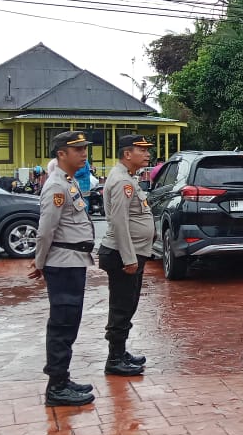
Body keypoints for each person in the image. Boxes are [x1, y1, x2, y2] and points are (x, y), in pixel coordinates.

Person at [28, 131, 96, 407]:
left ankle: (62, 379)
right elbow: (46, 230)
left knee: (69, 323)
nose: (84, 154)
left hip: (73, 262)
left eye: (84, 149)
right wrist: (39, 262)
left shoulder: (67, 181)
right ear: (61, 154)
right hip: (63, 263)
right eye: (77, 150)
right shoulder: (56, 185)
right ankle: (56, 387)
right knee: (62, 324)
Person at [97, 134, 155, 377]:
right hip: (123, 254)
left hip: (130, 252)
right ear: (127, 154)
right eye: (142, 150)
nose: (147, 154)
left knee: (128, 304)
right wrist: (129, 258)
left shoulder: (128, 177)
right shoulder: (123, 181)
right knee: (121, 306)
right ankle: (114, 359)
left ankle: (120, 352)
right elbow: (119, 222)